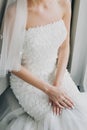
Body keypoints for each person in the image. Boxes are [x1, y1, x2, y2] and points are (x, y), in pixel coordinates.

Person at [0, 0, 87, 130]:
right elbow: (12, 64)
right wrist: (49, 90)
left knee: (77, 110)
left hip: (56, 73)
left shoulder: (63, 4)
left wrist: (57, 85)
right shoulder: (14, 12)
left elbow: (64, 47)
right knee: (55, 118)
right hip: (29, 82)